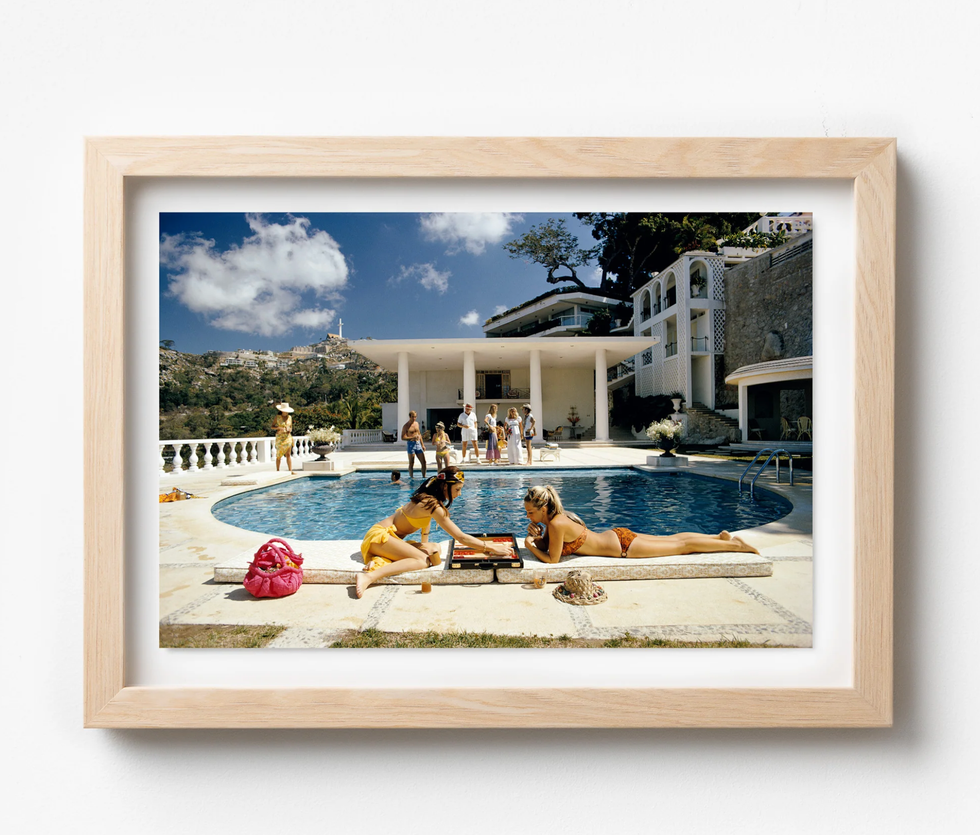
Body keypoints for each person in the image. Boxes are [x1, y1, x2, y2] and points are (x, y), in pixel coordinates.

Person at [356, 467, 514, 598]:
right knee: (422, 560)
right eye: (457, 489)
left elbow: (424, 526)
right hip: (379, 538)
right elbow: (460, 537)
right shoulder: (433, 505)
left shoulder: (427, 498)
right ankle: (369, 577)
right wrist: (491, 548)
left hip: (385, 538)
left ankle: (383, 557)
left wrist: (424, 544)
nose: (459, 494)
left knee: (434, 548)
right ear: (445, 486)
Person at [521, 485, 761, 564]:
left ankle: (737, 546)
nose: (528, 517)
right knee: (673, 539)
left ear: (543, 509)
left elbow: (552, 560)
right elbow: (554, 546)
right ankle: (717, 538)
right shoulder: (559, 518)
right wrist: (539, 536)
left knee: (682, 546)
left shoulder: (556, 524)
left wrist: (530, 544)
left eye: (530, 512)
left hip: (625, 548)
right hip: (618, 535)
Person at [401, 410, 426, 478]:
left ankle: (424, 476)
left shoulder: (417, 424)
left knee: (423, 462)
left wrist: (422, 445)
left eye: (415, 417)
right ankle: (411, 477)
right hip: (411, 444)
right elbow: (402, 437)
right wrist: (412, 438)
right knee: (411, 462)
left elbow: (419, 434)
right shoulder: (406, 426)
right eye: (412, 417)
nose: (414, 418)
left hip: (418, 444)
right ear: (409, 417)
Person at [272, 402, 295, 474]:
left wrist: (290, 429)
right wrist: (278, 428)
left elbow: (291, 427)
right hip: (279, 438)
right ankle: (278, 470)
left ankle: (290, 470)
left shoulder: (290, 417)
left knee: (288, 454)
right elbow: (272, 426)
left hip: (287, 437)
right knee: (279, 455)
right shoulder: (277, 417)